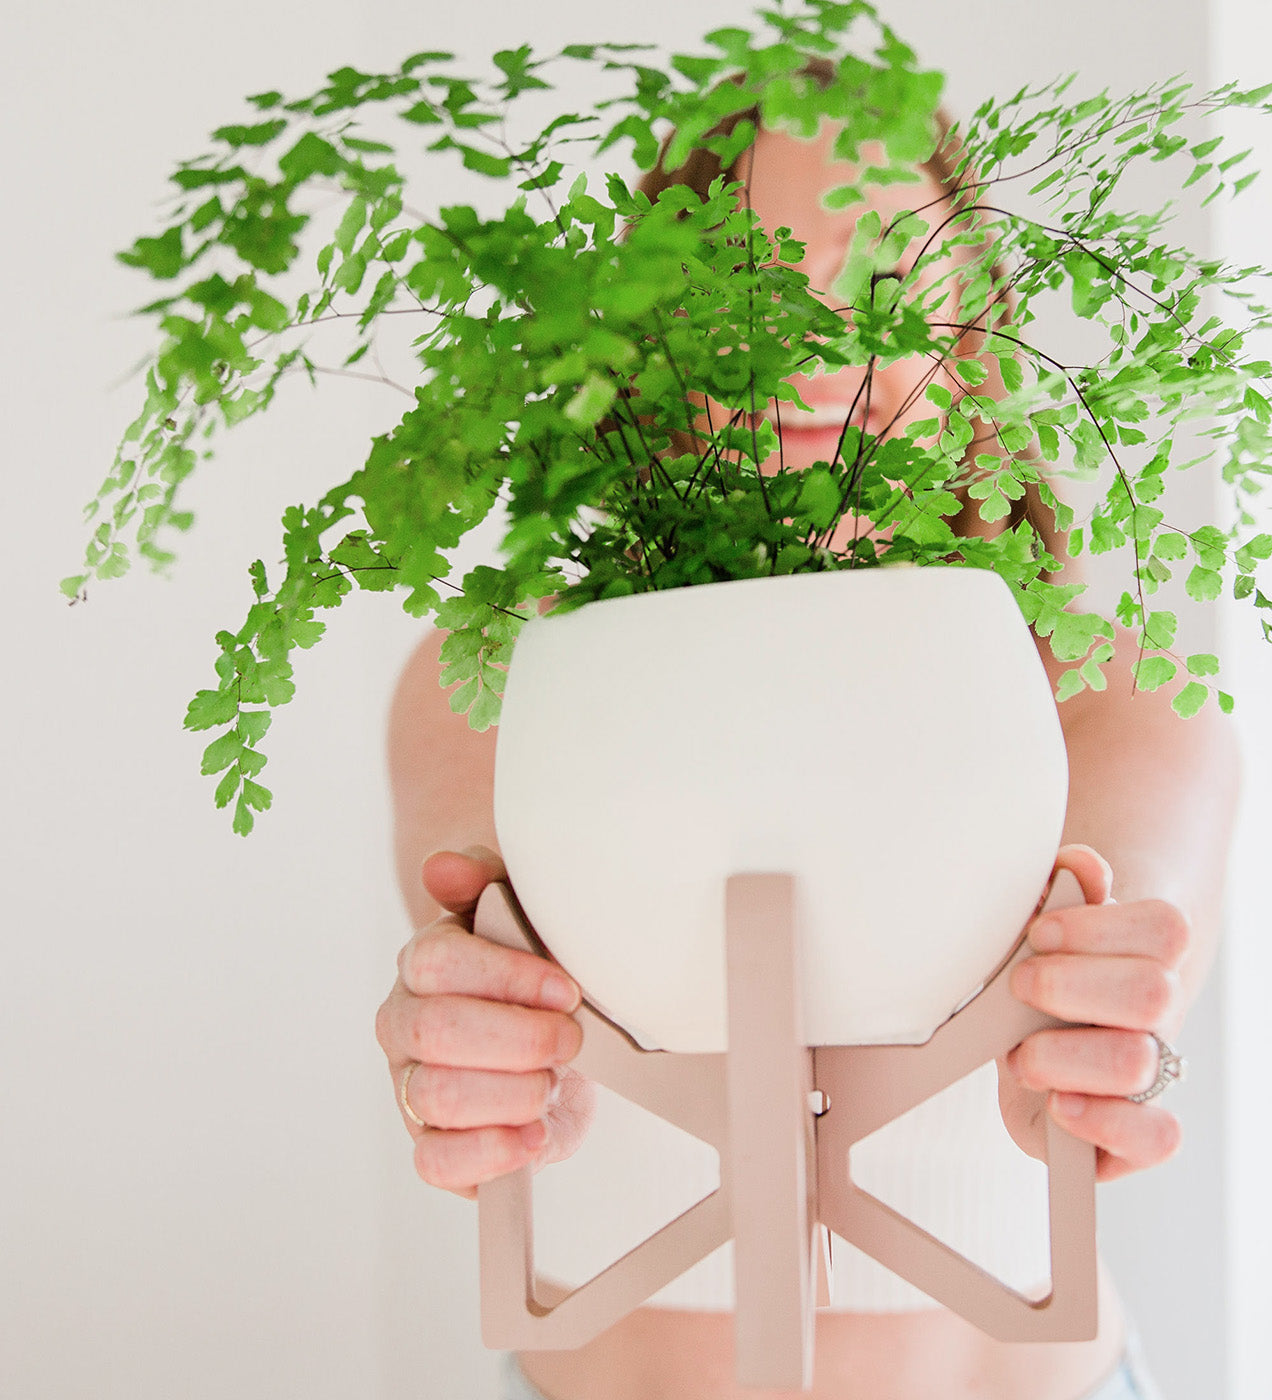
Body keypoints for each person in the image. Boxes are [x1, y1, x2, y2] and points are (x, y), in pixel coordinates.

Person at [374, 95, 1240, 1400]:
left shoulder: (1113, 694)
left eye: (886, 284)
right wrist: (469, 1058)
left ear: (974, 334)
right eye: (749, 292)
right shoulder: (493, 676)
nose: (820, 356)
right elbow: (469, 963)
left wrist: (1096, 1048)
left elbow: (1132, 932)